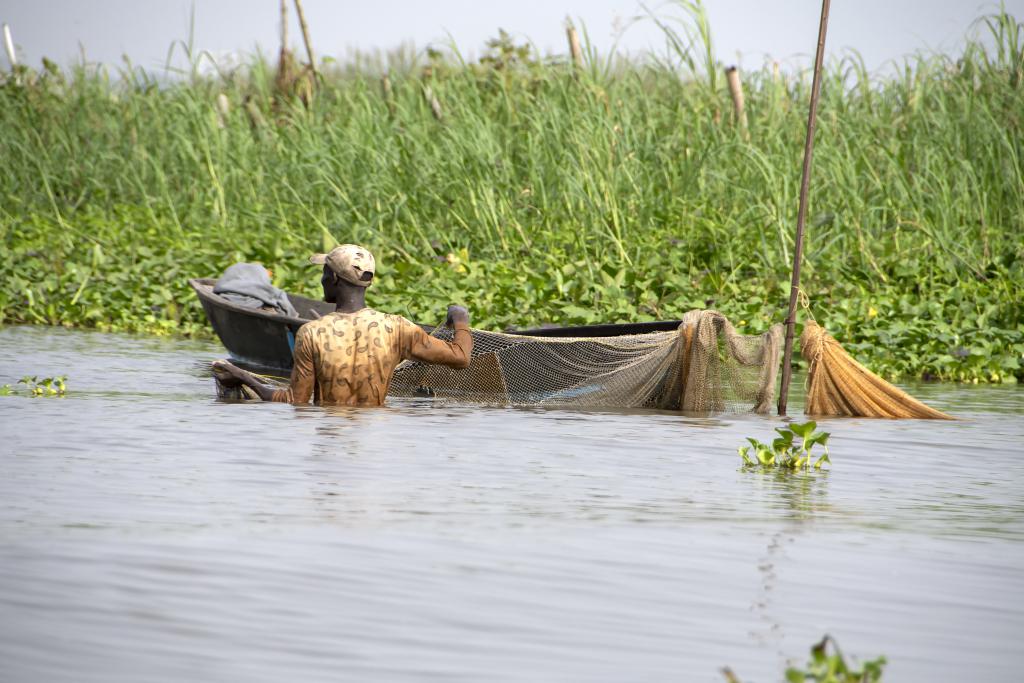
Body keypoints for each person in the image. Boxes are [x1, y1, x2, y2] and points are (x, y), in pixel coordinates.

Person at [212, 244, 473, 406]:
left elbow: (295, 401)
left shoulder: (313, 333)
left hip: (329, 433)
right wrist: (460, 318)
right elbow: (461, 357)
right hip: (379, 435)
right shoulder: (397, 328)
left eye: (325, 273)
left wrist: (245, 378)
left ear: (334, 278)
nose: (322, 279)